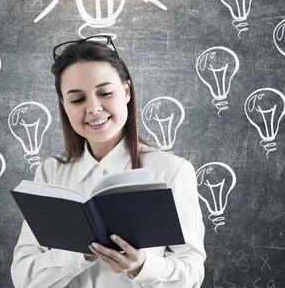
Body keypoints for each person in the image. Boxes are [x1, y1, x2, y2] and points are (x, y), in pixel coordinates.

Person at [11, 35, 206, 288]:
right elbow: (24, 278)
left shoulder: (171, 170)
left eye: (105, 92)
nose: (93, 108)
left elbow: (191, 274)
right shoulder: (51, 172)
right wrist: (81, 253)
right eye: (78, 99)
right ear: (64, 104)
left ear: (126, 91)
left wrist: (142, 266)